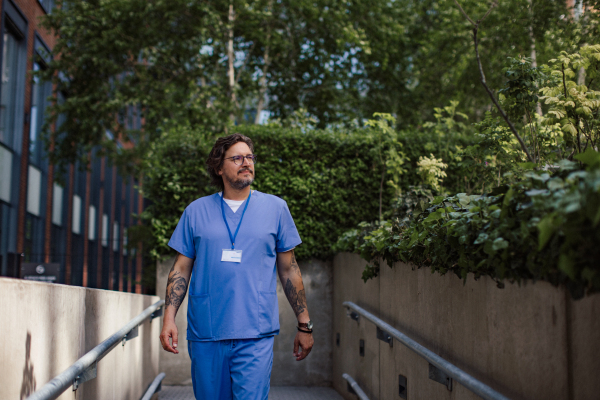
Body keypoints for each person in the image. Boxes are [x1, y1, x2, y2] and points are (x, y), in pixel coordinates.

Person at [159, 133, 314, 399]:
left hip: (255, 333)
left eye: (250, 157)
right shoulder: (195, 212)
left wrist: (304, 324)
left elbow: (289, 269)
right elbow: (181, 269)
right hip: (207, 333)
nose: (246, 162)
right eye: (237, 158)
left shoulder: (277, 209)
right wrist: (169, 317)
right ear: (219, 167)